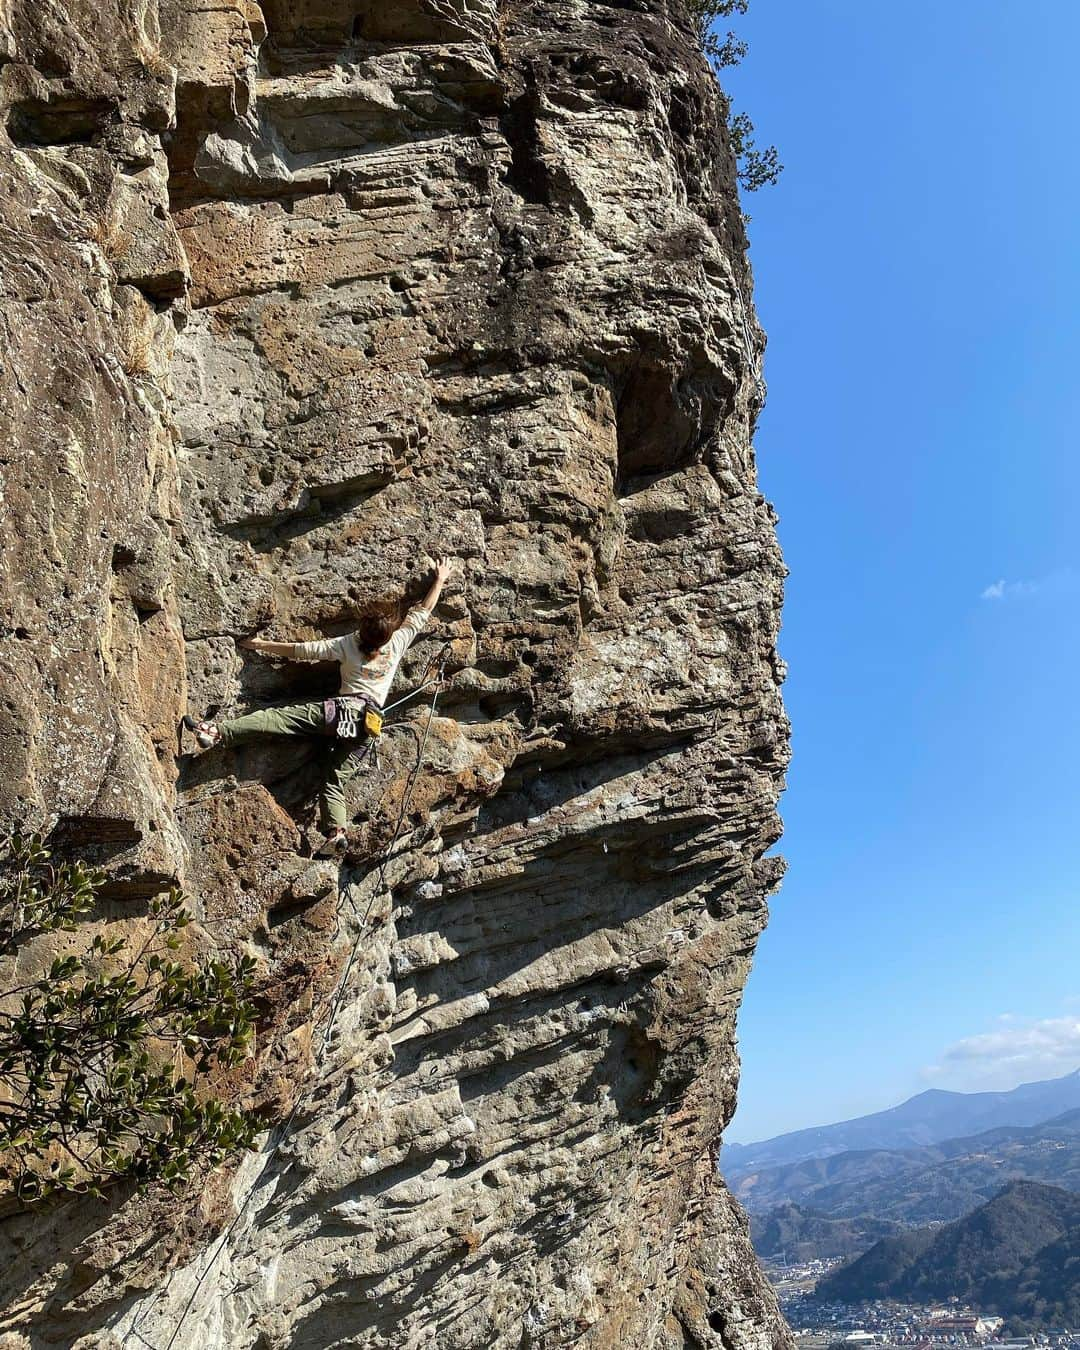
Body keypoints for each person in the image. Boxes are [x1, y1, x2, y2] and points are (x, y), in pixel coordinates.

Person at [183, 557, 456, 856]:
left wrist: (261, 645)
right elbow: (422, 613)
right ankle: (335, 833)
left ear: (362, 630)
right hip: (368, 725)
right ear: (386, 635)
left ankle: (216, 731)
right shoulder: (397, 644)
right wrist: (440, 580)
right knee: (334, 779)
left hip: (341, 712)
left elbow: (303, 651)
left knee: (278, 719)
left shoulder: (348, 645)